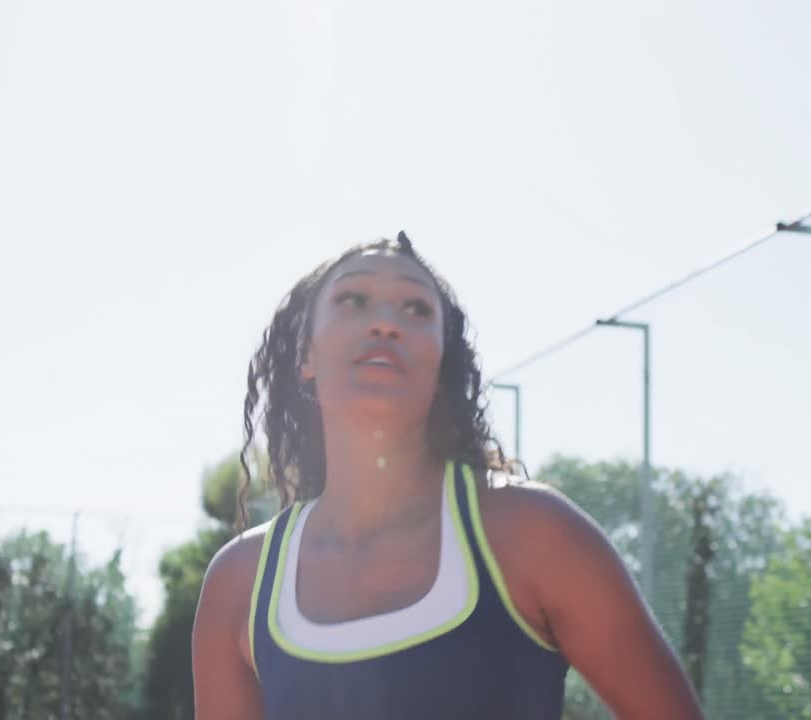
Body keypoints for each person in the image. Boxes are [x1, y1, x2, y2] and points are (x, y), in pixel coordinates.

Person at [192, 232, 704, 719]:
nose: (385, 323)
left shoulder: (534, 534)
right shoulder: (240, 581)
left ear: (441, 363)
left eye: (416, 308)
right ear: (306, 355)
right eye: (354, 300)